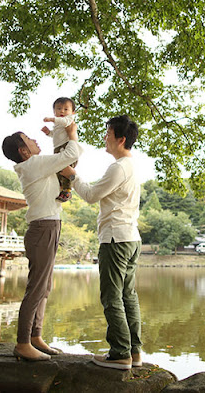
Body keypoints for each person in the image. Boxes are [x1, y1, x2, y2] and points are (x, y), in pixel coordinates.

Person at [66, 115, 143, 370]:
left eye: (108, 133)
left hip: (115, 239)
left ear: (121, 139)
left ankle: (120, 353)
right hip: (130, 238)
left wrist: (72, 175)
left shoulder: (119, 167)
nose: (105, 137)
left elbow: (90, 195)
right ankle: (134, 351)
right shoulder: (131, 166)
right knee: (128, 296)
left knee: (112, 297)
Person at [1, 123, 82, 362]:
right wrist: (72, 134)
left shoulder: (35, 166)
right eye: (29, 139)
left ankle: (36, 337)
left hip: (49, 226)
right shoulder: (34, 164)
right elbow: (71, 154)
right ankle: (23, 342)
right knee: (36, 288)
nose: (35, 141)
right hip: (43, 228)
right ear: (24, 151)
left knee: (44, 287)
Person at [41, 97, 77, 202]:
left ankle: (68, 190)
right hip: (57, 148)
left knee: (66, 169)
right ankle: (60, 188)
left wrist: (52, 119)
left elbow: (64, 121)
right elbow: (55, 135)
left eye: (66, 109)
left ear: (72, 113)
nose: (62, 111)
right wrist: (48, 132)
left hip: (67, 147)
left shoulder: (68, 120)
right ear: (54, 111)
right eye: (59, 108)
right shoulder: (57, 125)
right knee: (58, 170)